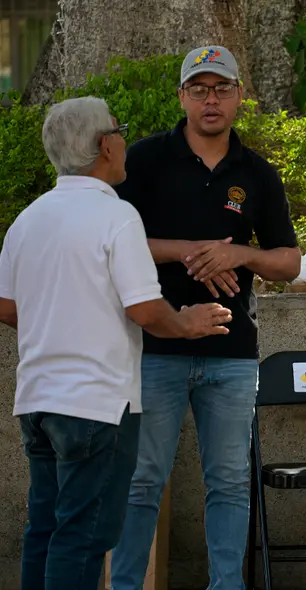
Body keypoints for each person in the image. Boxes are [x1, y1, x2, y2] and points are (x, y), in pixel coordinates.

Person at [0, 97, 232, 590]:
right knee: (82, 536)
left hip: (38, 400)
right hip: (96, 405)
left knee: (44, 528)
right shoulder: (118, 217)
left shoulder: (28, 219)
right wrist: (187, 321)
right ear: (105, 145)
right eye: (119, 130)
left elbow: (5, 306)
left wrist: (58, 326)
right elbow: (146, 310)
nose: (124, 139)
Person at [109, 46, 302, 590]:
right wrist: (193, 250)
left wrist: (239, 255)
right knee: (142, 480)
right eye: (199, 89)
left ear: (241, 96)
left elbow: (288, 261)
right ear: (182, 97)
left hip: (233, 353)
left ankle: (226, 585)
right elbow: (117, 243)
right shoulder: (144, 161)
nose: (210, 99)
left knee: (230, 483)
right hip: (155, 346)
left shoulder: (258, 174)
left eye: (221, 89)